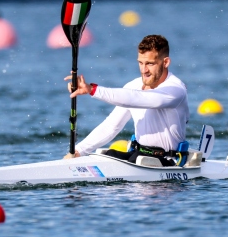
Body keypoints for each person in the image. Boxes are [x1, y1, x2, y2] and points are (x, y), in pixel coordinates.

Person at [63, 34, 189, 166]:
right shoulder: (133, 86)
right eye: (140, 63)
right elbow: (111, 126)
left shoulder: (175, 89)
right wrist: (78, 151)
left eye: (150, 64)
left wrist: (92, 90)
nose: (144, 70)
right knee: (109, 155)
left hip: (169, 161)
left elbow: (140, 99)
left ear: (166, 62)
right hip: (138, 155)